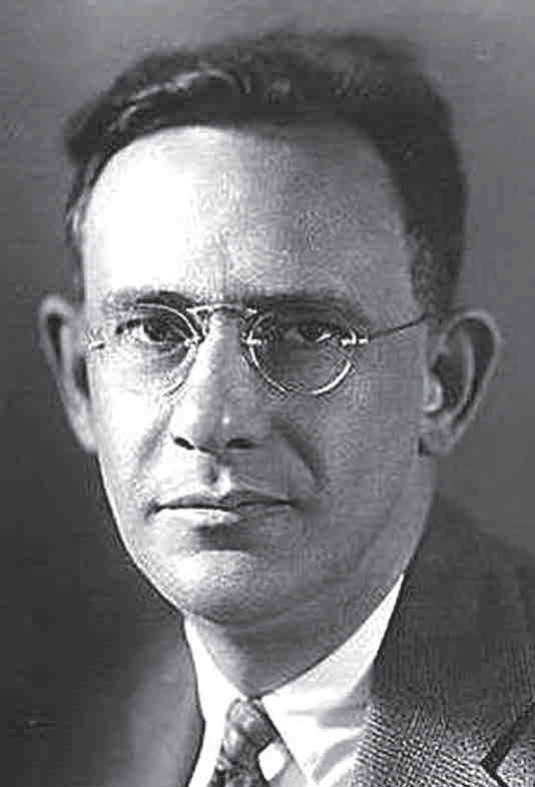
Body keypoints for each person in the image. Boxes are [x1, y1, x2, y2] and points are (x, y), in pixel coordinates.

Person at [39, 28, 535, 787]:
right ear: (80, 379)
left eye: (306, 332)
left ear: (444, 380)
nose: (210, 421)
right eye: (154, 331)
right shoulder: (77, 723)